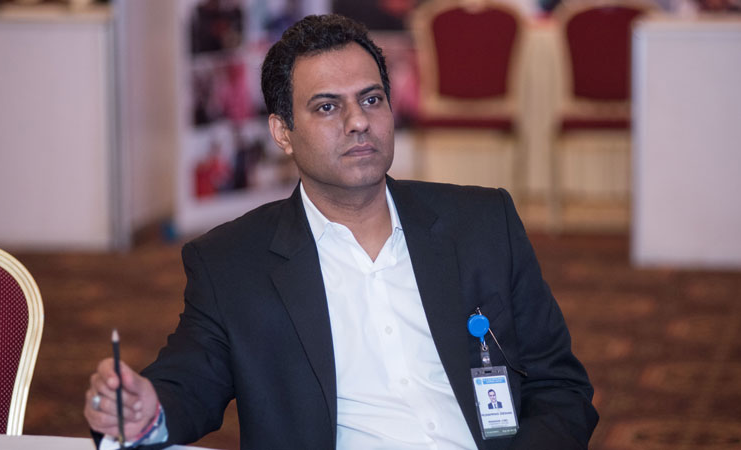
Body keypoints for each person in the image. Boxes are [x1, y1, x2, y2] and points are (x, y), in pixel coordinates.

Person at [84, 14, 598, 450]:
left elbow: (561, 388)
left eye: (371, 100)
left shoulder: (482, 224)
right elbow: (188, 382)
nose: (358, 122)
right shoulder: (232, 263)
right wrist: (144, 410)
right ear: (282, 132)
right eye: (327, 107)